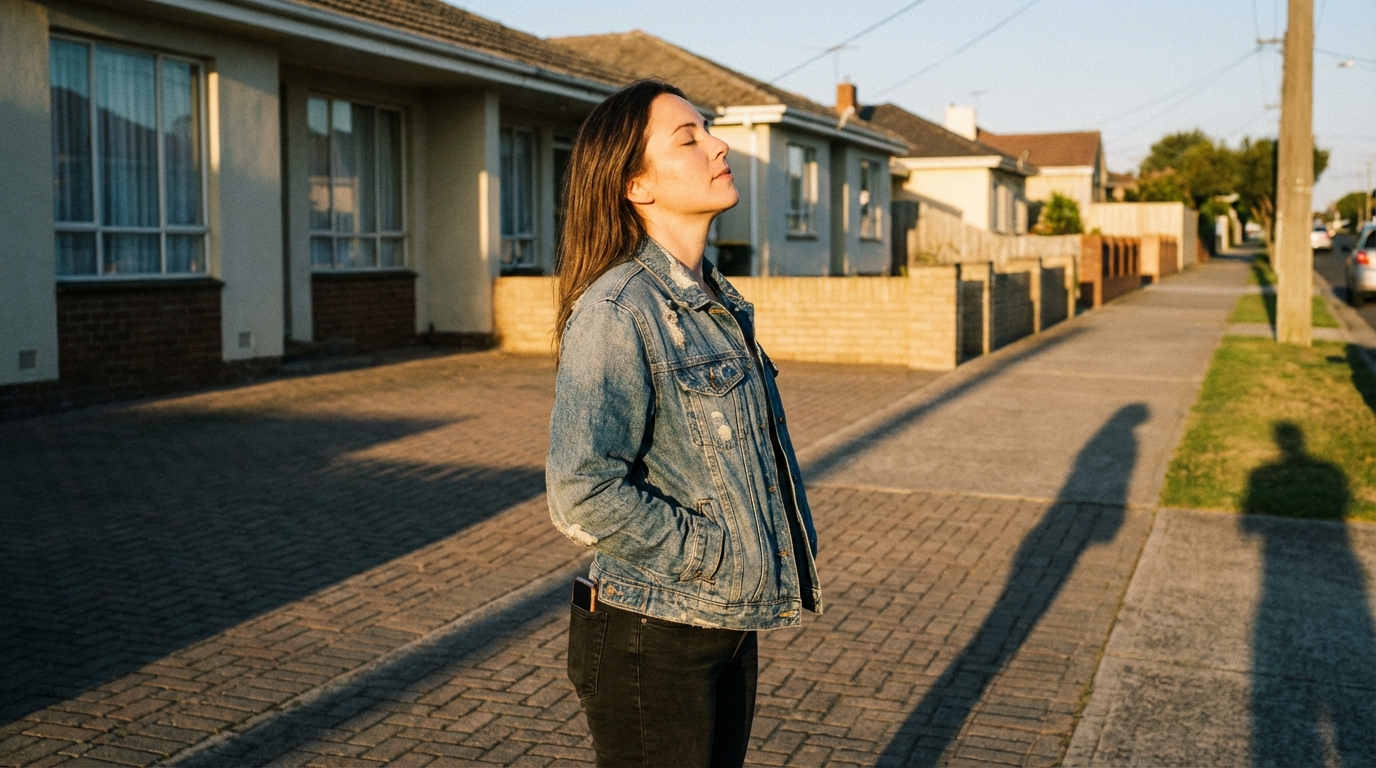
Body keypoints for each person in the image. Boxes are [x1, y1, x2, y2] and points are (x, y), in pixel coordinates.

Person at [546, 79, 823, 767]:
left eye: (709, 130)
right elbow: (581, 490)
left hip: (723, 624)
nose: (718, 145)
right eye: (689, 137)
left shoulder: (715, 303)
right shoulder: (618, 310)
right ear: (637, 184)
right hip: (651, 635)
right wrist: (719, 557)